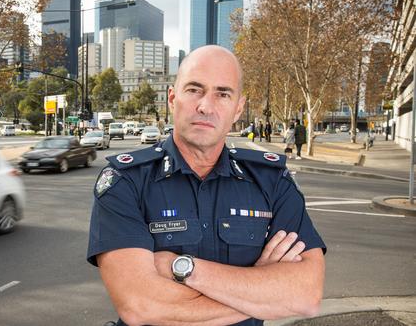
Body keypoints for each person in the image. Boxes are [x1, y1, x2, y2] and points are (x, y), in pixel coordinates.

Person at [87, 45, 325, 326]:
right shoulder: (125, 180)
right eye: (194, 90)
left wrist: (183, 269)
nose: (206, 106)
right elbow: (140, 305)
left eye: (222, 94)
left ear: (238, 108)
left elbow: (306, 294)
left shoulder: (272, 181)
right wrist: (264, 294)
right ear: (172, 98)